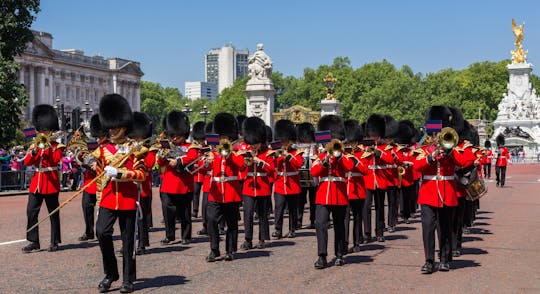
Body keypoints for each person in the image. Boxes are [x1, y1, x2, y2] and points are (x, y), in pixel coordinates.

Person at [93, 94, 146, 293]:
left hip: (127, 200)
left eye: (115, 127)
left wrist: (122, 174)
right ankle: (111, 273)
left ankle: (127, 279)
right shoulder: (102, 150)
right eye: (110, 127)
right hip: (108, 199)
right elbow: (99, 176)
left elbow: (141, 175)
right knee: (102, 232)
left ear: (124, 126)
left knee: (127, 241)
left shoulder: (135, 149)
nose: (112, 130)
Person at [413, 106, 470, 274]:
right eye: (433, 134)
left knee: (445, 228)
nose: (435, 136)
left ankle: (444, 259)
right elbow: (417, 167)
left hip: (447, 192)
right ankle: (429, 261)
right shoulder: (423, 149)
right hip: (428, 193)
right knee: (428, 228)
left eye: (438, 133)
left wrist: (450, 151)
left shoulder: (452, 147)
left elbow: (463, 162)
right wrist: (431, 156)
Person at [311, 115, 354, 269]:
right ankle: (322, 256)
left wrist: (339, 155)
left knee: (340, 226)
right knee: (321, 224)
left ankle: (340, 254)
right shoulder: (320, 156)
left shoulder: (345, 156)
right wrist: (325, 160)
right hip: (323, 194)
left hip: (339, 194)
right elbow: (314, 172)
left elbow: (350, 167)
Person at [22, 104, 65, 253]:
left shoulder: (57, 146)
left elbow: (54, 160)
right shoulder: (35, 144)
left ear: (51, 129)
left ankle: (54, 241)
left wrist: (46, 148)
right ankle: (34, 241)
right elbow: (27, 162)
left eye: (45, 130)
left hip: (51, 181)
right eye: (41, 130)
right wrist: (34, 152)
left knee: (53, 213)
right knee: (31, 211)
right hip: (37, 183)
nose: (43, 132)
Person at [203, 113, 244, 262]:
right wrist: (206, 162)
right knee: (212, 220)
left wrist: (229, 154)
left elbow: (241, 165)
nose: (222, 139)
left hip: (231, 192)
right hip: (215, 192)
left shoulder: (237, 150)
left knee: (231, 223)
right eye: (221, 136)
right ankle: (214, 249)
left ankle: (230, 250)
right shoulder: (213, 152)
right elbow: (203, 169)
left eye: (225, 137)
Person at [158, 111, 198, 245]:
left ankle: (186, 236)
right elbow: (160, 164)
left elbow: (192, 157)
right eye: (172, 135)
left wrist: (179, 161)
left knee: (185, 212)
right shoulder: (167, 147)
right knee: (168, 212)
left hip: (184, 184)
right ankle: (170, 236)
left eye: (177, 135)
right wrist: (162, 157)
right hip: (168, 184)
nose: (174, 138)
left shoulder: (190, 147)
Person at [240, 117, 274, 250]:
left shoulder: (268, 153)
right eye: (252, 143)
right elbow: (240, 168)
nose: (254, 145)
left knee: (262, 215)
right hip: (249, 186)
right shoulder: (245, 152)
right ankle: (248, 239)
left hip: (263, 186)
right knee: (247, 214)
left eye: (256, 143)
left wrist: (259, 162)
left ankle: (262, 238)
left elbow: (271, 170)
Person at [362, 114, 394, 243]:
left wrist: (378, 152)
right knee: (367, 207)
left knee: (380, 207)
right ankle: (367, 233)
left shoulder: (384, 147)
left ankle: (380, 232)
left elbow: (391, 159)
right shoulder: (364, 146)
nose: (374, 137)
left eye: (375, 134)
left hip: (380, 180)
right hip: (368, 179)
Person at [128, 111, 156, 255]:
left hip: (143, 186)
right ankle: (130, 242)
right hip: (129, 186)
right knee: (129, 218)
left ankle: (142, 243)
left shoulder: (150, 147)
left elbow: (150, 163)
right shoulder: (128, 146)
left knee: (142, 217)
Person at [78, 114, 108, 242]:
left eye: (99, 137)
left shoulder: (108, 147)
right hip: (89, 182)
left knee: (103, 209)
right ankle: (89, 231)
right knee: (87, 207)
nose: (97, 139)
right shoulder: (90, 144)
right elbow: (81, 158)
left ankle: (105, 230)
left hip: (102, 182)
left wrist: (98, 164)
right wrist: (81, 157)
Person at [272, 119, 303, 239]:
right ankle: (278, 230)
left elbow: (299, 164)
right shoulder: (277, 152)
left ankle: (292, 229)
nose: (284, 142)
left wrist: (289, 156)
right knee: (278, 207)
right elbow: (273, 165)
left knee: (292, 209)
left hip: (293, 183)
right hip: (280, 183)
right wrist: (276, 156)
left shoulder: (296, 152)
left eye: (286, 140)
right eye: (283, 140)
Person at [295, 122, 318, 230]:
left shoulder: (316, 146)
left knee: (313, 201)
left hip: (313, 177)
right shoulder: (297, 146)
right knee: (300, 201)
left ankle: (313, 220)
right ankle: (298, 220)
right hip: (301, 176)